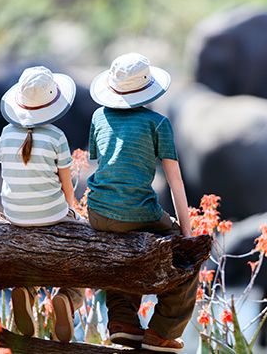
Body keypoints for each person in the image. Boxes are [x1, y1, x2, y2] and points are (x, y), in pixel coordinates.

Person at [87, 53, 194, 353]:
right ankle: (162, 332)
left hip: (97, 213)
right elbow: (175, 182)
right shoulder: (158, 123)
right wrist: (185, 233)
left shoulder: (98, 116)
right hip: (139, 213)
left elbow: (101, 164)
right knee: (185, 258)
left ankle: (122, 322)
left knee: (118, 250)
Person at [0, 66, 85, 341]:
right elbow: (66, 183)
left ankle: (28, 289)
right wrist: (71, 209)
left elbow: (8, 174)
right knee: (81, 245)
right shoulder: (56, 136)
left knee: (31, 251)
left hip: (14, 214)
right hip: (52, 213)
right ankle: (69, 297)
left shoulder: (5, 133)